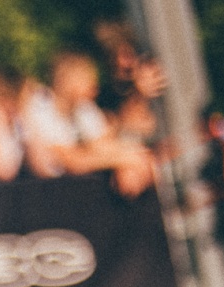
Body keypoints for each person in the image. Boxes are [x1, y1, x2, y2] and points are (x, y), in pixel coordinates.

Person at [22, 53, 155, 197]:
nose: (95, 89)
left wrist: (137, 156)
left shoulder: (82, 108)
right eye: (88, 82)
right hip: (32, 189)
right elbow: (73, 161)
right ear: (70, 82)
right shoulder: (41, 106)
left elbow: (102, 143)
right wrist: (125, 159)